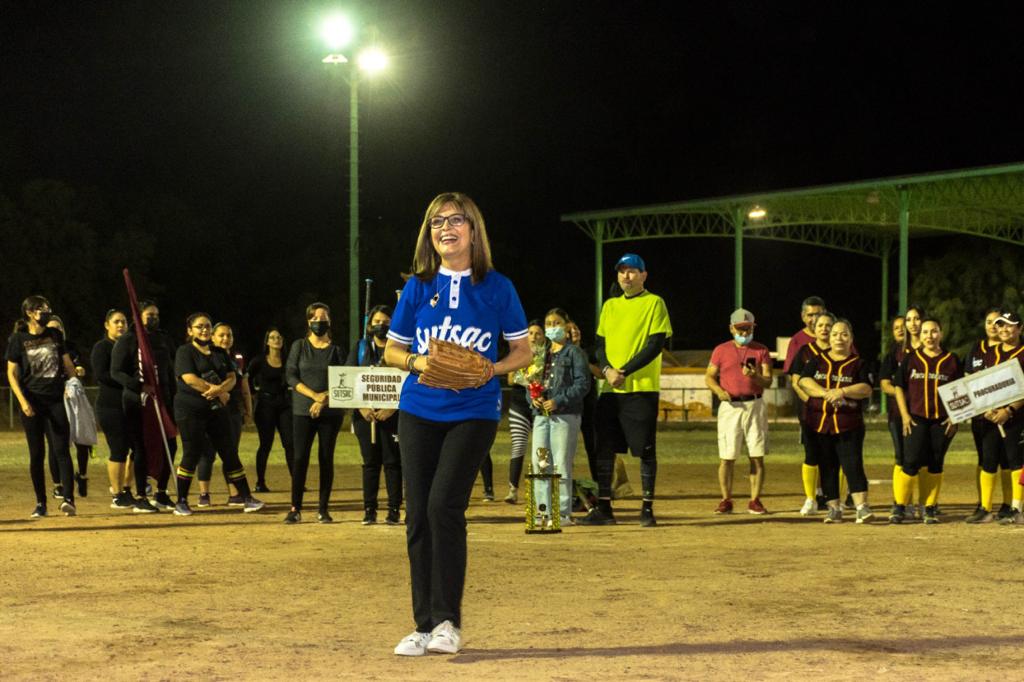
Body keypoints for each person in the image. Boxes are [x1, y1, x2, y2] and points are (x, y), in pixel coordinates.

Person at [384, 192, 530, 656]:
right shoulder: (417, 287)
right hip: (418, 410)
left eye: (455, 220)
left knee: (444, 506)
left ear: (473, 230)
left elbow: (522, 351)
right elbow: (392, 350)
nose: (445, 228)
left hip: (474, 410)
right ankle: (423, 624)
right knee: (418, 514)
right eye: (436, 222)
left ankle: (448, 621)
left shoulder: (497, 287)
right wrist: (416, 361)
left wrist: (491, 370)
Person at [579, 252, 672, 527]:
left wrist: (625, 371)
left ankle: (646, 508)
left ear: (643, 275)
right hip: (610, 390)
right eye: (622, 271)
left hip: (641, 388)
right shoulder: (610, 306)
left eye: (632, 271)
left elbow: (655, 345)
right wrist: (607, 370)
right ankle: (605, 508)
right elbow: (599, 344)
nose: (626, 276)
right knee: (604, 448)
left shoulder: (655, 303)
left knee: (644, 449)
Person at [171, 312, 264, 516]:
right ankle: (182, 501)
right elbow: (189, 378)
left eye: (207, 326)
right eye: (199, 326)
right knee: (192, 452)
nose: (204, 330)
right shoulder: (184, 352)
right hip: (190, 410)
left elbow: (232, 377)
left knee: (229, 451)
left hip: (216, 410)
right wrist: (216, 390)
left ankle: (247, 497)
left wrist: (221, 390)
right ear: (190, 331)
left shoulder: (219, 353)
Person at [5, 296, 79, 517]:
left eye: (48, 309)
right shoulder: (18, 339)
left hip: (55, 400)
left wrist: (73, 382)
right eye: (42, 310)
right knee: (36, 454)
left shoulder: (54, 335)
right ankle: (41, 503)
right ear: (30, 312)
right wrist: (23, 401)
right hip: (33, 403)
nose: (46, 313)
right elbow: (11, 374)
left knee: (62, 450)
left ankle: (68, 499)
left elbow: (67, 364)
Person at [798, 319, 874, 524]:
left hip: (848, 424)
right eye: (834, 334)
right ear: (828, 338)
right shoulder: (817, 360)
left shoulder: (858, 363)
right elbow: (804, 381)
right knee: (827, 465)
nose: (839, 338)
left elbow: (866, 389)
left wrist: (842, 391)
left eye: (844, 334)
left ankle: (861, 507)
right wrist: (825, 393)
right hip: (820, 422)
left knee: (852, 464)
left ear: (851, 339)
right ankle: (833, 508)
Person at [110, 299, 177, 513]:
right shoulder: (128, 340)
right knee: (141, 448)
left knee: (171, 444)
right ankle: (140, 496)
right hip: (137, 401)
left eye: (157, 315)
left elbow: (169, 369)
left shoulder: (163, 340)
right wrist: (138, 385)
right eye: (150, 315)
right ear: (138, 317)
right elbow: (116, 372)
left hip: (163, 399)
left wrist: (172, 395)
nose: (154, 319)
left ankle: (161, 493)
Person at [891, 318, 961, 524]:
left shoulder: (951, 359)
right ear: (919, 335)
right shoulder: (911, 359)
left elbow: (961, 390)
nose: (929, 336)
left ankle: (929, 507)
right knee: (910, 462)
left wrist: (955, 415)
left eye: (934, 332)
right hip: (916, 419)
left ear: (941, 334)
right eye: (925, 332)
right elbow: (898, 387)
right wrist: (904, 416)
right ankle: (899, 506)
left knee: (935, 463)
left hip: (942, 420)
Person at [705, 308, 772, 515]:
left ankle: (755, 499)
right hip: (730, 406)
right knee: (727, 456)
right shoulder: (721, 350)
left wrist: (754, 377)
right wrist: (718, 391)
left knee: (757, 455)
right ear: (731, 328)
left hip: (755, 404)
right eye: (740, 329)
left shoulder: (761, 350)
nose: (744, 333)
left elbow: (768, 380)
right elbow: (709, 376)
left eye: (748, 329)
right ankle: (726, 499)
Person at [284, 302, 345, 524]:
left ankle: (323, 508)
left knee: (326, 458)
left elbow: (344, 378)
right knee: (300, 458)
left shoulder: (336, 350)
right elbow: (291, 376)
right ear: (308, 321)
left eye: (324, 318)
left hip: (330, 413)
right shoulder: (299, 346)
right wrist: (314, 396)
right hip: (302, 411)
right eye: (315, 318)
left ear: (329, 321)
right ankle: (295, 508)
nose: (319, 322)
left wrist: (325, 399)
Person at [529, 307, 590, 525]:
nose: (552, 328)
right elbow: (531, 382)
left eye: (557, 323)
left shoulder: (574, 353)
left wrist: (559, 399)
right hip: (541, 416)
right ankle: (543, 511)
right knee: (540, 463)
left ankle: (562, 512)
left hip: (565, 416)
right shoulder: (541, 354)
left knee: (561, 463)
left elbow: (583, 384)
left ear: (566, 326)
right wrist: (533, 398)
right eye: (549, 324)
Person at [966, 309, 1024, 524]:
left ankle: (1016, 509)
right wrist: (986, 409)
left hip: (1016, 418)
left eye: (1010, 325)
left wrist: (1008, 411)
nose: (1004, 329)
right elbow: (981, 386)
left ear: (1019, 328)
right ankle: (985, 508)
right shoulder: (990, 353)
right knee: (988, 460)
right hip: (990, 418)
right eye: (1001, 325)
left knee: (1015, 461)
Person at [347, 304, 402, 525]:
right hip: (365, 416)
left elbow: (408, 378)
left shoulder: (399, 349)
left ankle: (394, 509)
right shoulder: (361, 348)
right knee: (370, 462)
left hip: (392, 416)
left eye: (386, 322)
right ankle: (369, 510)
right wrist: (360, 406)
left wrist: (392, 408)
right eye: (377, 322)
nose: (381, 326)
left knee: (393, 462)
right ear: (369, 326)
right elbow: (348, 377)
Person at [195, 322, 249, 507]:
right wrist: (219, 392)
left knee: (230, 452)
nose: (225, 339)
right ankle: (204, 494)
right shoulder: (205, 355)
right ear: (212, 337)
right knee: (207, 453)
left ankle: (234, 494)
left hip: (232, 410)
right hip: (209, 407)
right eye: (221, 335)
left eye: (229, 335)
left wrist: (248, 410)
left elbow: (244, 386)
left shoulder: (236, 359)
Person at [788, 311, 835, 514]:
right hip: (811, 413)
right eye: (820, 325)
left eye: (828, 325)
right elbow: (796, 381)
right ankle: (811, 499)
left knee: (835, 456)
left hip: (836, 413)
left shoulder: (841, 352)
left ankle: (836, 499)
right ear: (813, 330)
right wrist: (812, 401)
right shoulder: (805, 352)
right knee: (811, 455)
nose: (824, 329)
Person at [90, 308, 137, 509]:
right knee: (118, 449)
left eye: (124, 322)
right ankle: (117, 494)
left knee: (137, 448)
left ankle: (128, 488)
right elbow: (102, 375)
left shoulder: (131, 346)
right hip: (111, 406)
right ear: (107, 325)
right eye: (116, 321)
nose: (121, 325)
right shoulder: (102, 347)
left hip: (132, 404)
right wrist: (130, 382)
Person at [44, 315, 92, 499]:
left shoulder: (69, 347)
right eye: (52, 328)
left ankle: (82, 474)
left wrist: (79, 370)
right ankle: (58, 485)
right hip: (54, 397)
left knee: (81, 438)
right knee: (55, 443)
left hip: (72, 397)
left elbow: (79, 365)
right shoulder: (42, 348)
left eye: (59, 328)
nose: (57, 331)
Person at [964, 308, 1002, 514]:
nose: (992, 326)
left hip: (1007, 415)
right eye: (989, 322)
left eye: (997, 322)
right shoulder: (976, 348)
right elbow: (968, 378)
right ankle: (983, 503)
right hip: (982, 415)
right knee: (985, 458)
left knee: (1008, 460)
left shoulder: (1011, 348)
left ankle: (1010, 505)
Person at [248, 326, 294, 492]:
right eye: (273, 337)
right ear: (267, 341)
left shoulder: (289, 360)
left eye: (279, 337)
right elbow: (247, 378)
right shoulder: (259, 360)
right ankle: (260, 482)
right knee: (265, 444)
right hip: (265, 405)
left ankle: (297, 481)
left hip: (284, 405)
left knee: (290, 443)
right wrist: (253, 394)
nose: (276, 340)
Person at [505, 320, 547, 504]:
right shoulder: (518, 353)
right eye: (530, 333)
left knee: (542, 448)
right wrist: (527, 380)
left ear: (543, 336)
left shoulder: (549, 355)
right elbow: (510, 379)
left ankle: (543, 490)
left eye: (538, 333)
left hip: (539, 403)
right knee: (519, 443)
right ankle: (512, 490)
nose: (534, 337)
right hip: (519, 403)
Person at [878, 315, 907, 516]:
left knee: (919, 458)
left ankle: (921, 502)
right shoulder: (892, 355)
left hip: (922, 413)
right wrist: (905, 393)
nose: (900, 330)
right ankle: (900, 501)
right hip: (897, 414)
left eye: (903, 326)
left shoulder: (919, 352)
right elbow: (884, 384)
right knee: (901, 456)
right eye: (896, 327)